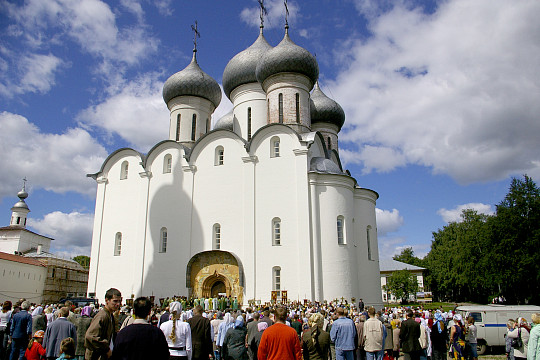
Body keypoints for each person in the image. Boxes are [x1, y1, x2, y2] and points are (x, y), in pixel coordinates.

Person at [85, 288, 122, 360]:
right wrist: (106, 349)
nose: (118, 304)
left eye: (119, 301)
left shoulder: (110, 315)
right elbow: (90, 336)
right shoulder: (102, 316)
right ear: (107, 300)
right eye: (115, 301)